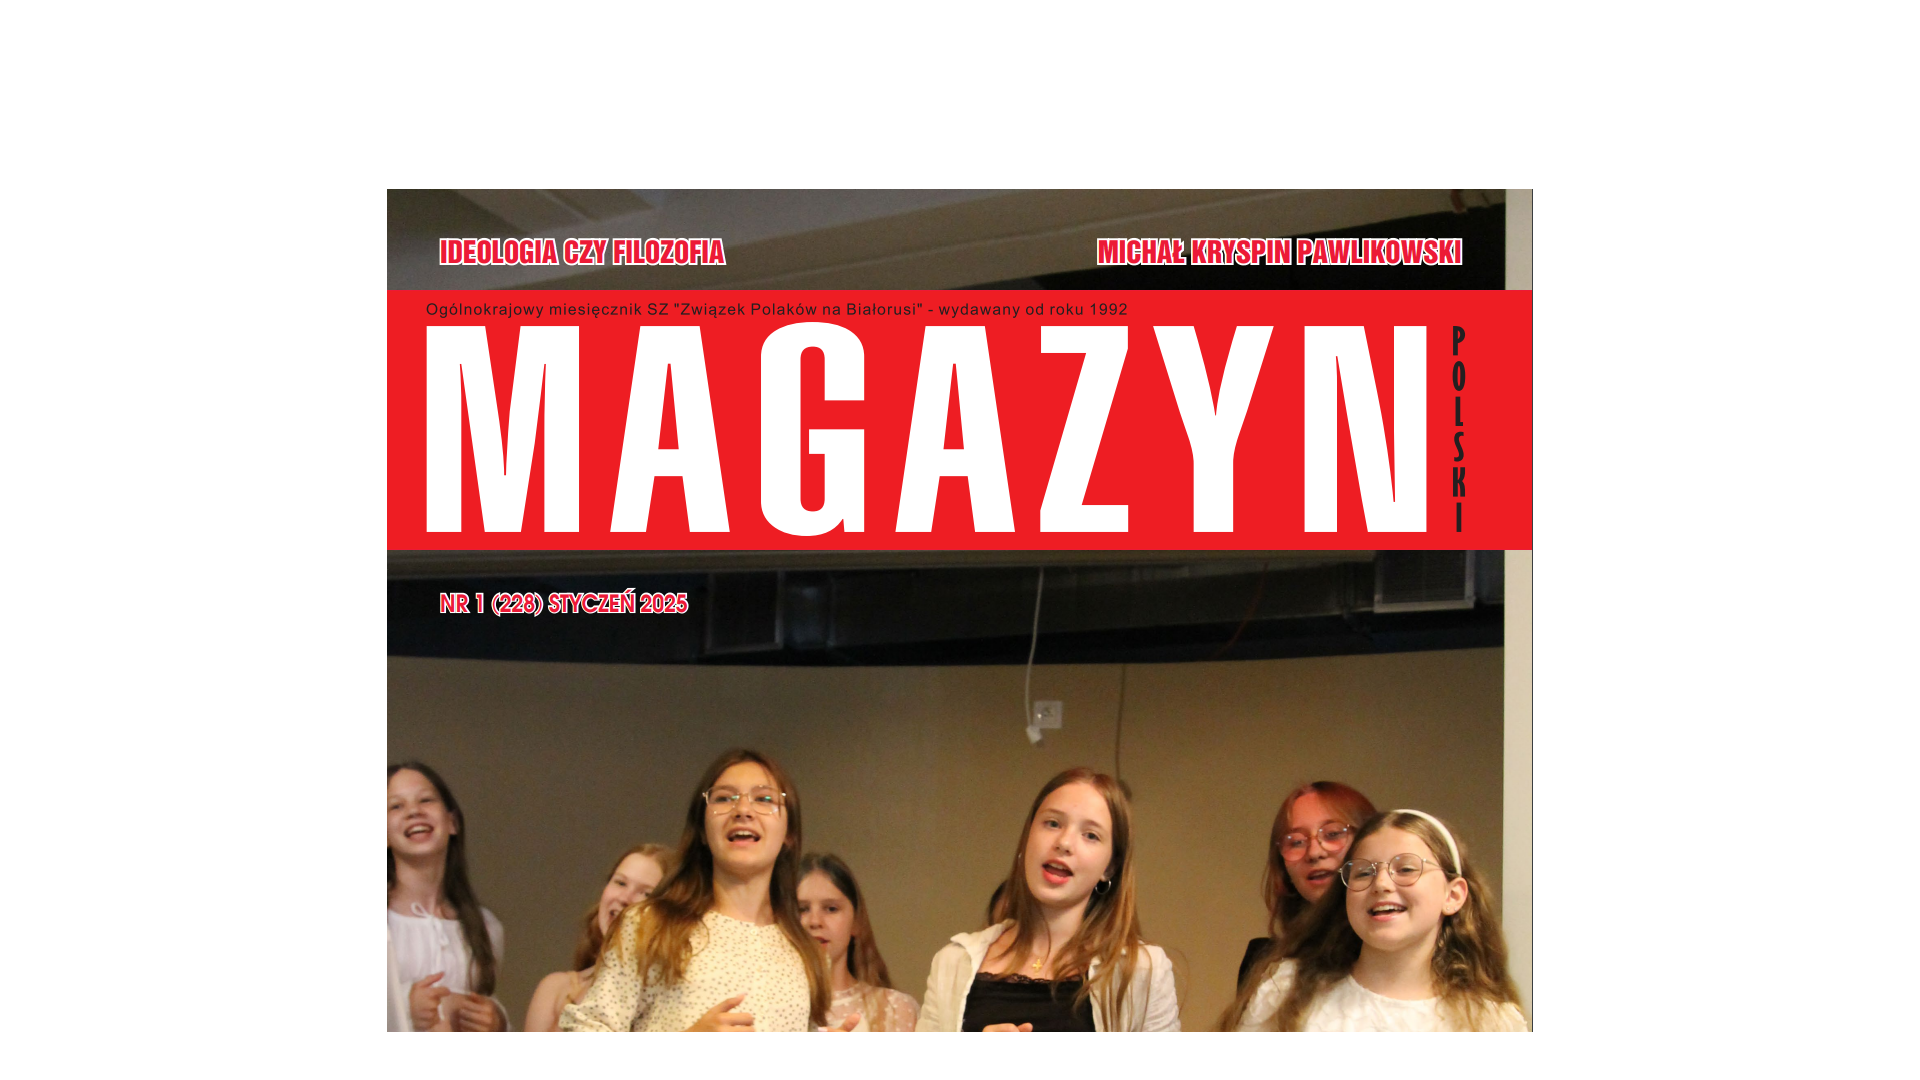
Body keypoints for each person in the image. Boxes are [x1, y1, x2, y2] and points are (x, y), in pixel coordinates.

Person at [559, 749, 857, 1032]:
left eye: (764, 799)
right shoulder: (649, 925)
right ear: (702, 828)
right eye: (724, 798)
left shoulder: (805, 950)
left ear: (789, 833)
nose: (743, 810)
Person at [917, 767, 1179, 1031]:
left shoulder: (1141, 971)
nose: (1064, 842)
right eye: (1053, 823)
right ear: (1026, 839)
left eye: (1090, 835)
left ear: (1109, 867)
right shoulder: (953, 963)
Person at [1227, 809, 1527, 1031]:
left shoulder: (1492, 1022)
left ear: (1453, 895)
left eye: (1406, 869)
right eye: (1363, 872)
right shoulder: (1287, 991)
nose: (1381, 883)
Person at [386, 762, 508, 1031]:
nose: (414, 811)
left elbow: (485, 996)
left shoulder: (485, 926)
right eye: (396, 806)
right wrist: (405, 1007)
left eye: (426, 800)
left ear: (452, 822)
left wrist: (496, 1020)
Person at [1238, 781, 1377, 990]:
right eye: (1296, 842)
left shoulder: (1403, 955)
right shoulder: (1265, 967)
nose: (1314, 852)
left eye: (1333, 834)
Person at [523, 843, 676, 1032]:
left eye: (646, 893)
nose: (624, 898)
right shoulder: (556, 989)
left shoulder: (670, 999)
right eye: (620, 883)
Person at [797, 853, 920, 1031]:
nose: (815, 921)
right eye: (802, 909)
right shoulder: (768, 1005)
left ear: (856, 921)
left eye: (831, 909)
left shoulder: (895, 1009)